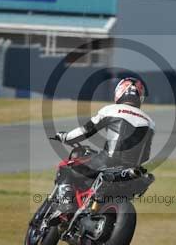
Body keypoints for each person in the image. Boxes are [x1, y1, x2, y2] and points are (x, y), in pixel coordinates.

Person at [54, 77, 155, 213]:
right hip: (131, 171)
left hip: (107, 161)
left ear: (120, 92)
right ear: (140, 97)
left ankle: (65, 205)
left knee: (66, 167)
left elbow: (86, 130)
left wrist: (66, 137)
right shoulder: (149, 122)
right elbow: (145, 155)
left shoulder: (112, 110)